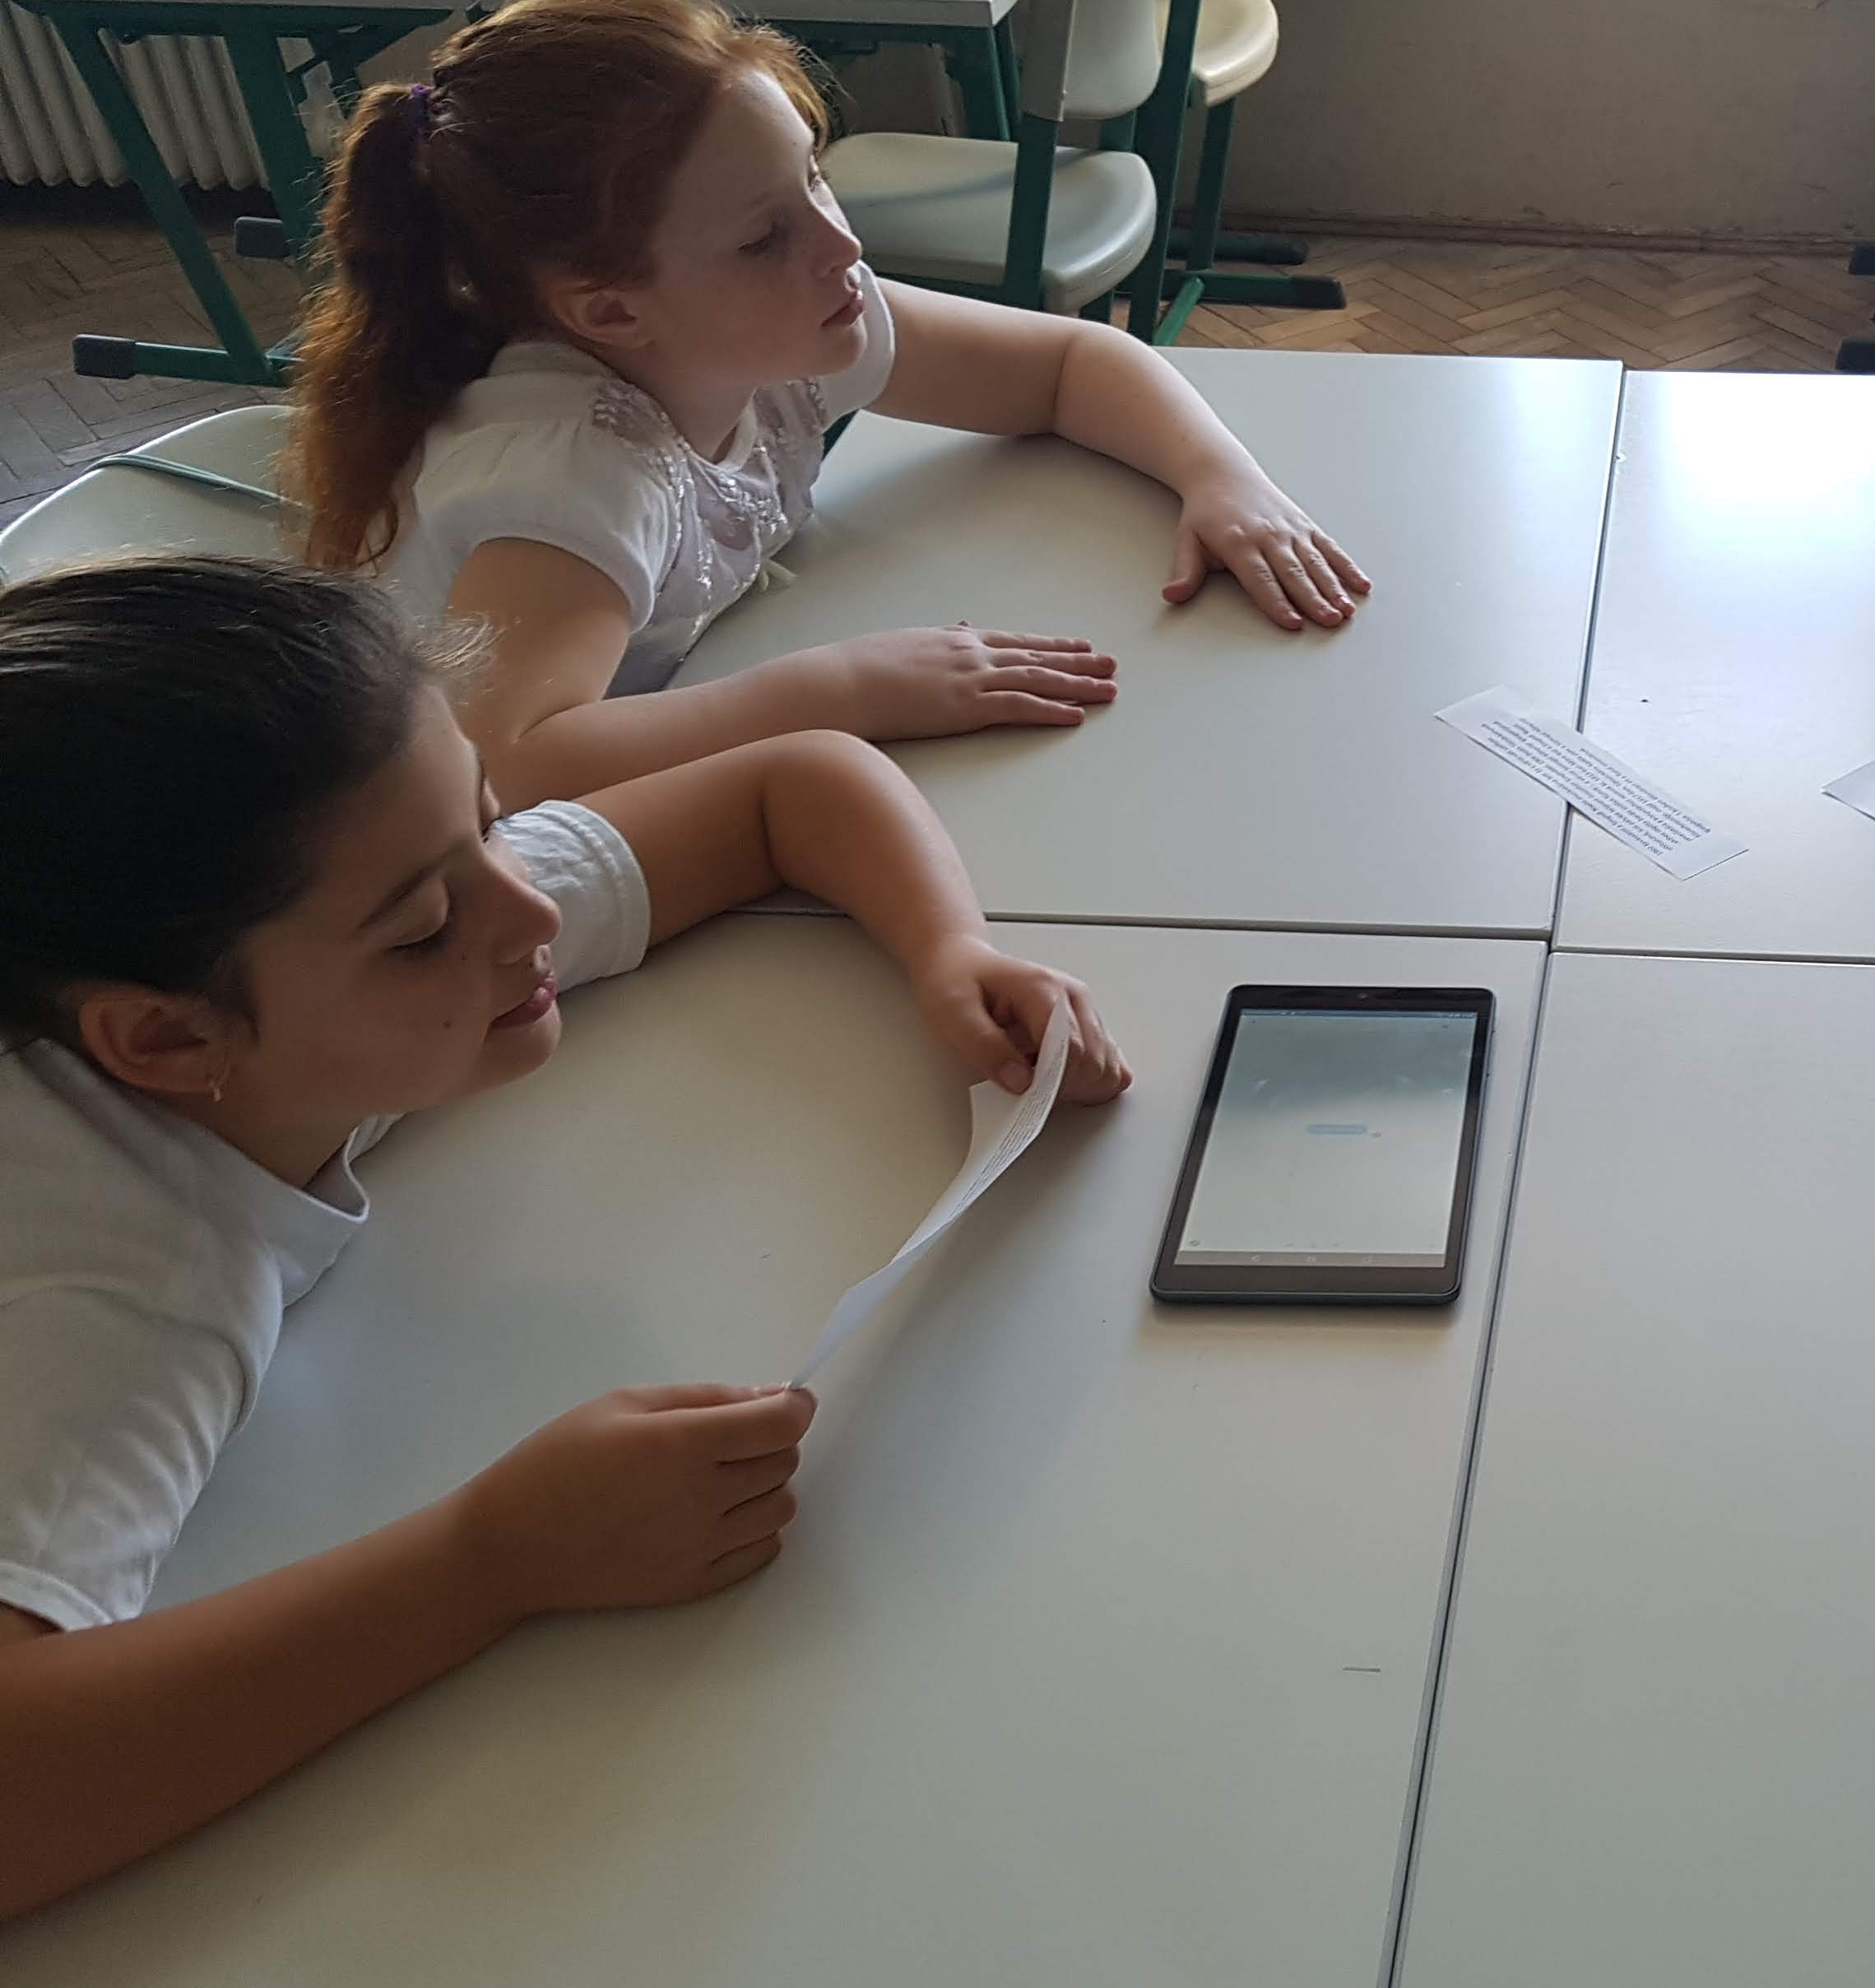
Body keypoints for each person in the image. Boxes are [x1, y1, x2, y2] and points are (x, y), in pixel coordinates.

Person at [0, 554, 1132, 1919]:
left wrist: (951, 951)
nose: (528, 906)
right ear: (167, 1040)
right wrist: (491, 1561)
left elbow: (785, 788)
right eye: (424, 930)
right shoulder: (125, 1282)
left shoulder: (314, 966)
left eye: (490, 823)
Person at [286, 0, 1367, 815]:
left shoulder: (784, 323)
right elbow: (507, 767)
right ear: (610, 311)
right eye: (765, 236)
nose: (842, 244)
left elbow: (1067, 366)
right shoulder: (571, 475)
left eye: (814, 175)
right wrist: (845, 688)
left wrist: (1221, 479)